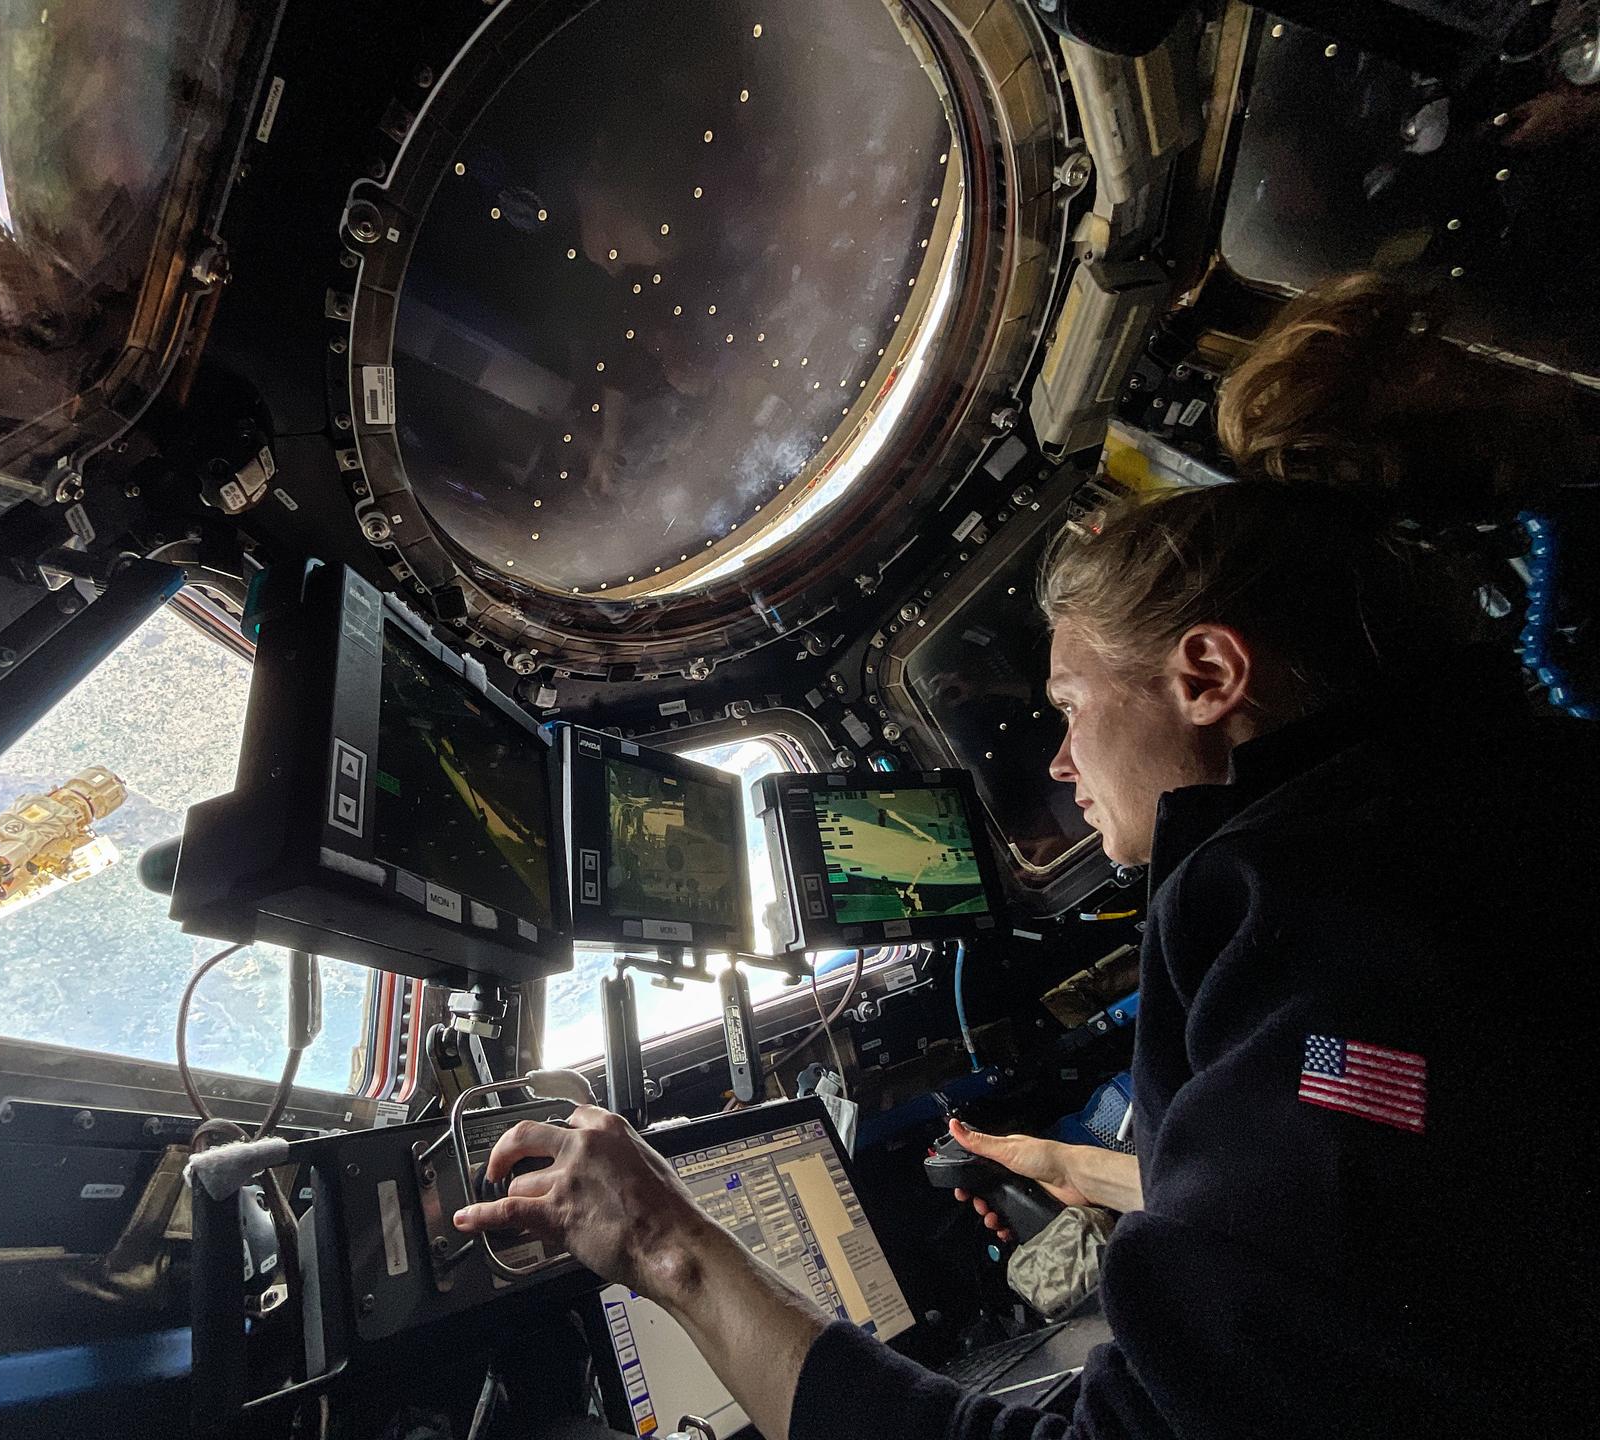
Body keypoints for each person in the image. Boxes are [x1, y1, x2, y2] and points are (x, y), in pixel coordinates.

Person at [454, 282, 1598, 1438]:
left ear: (1206, 678)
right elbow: (1381, 1211)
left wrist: (664, 1242)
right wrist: (1092, 1172)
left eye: (1070, 705)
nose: (1058, 762)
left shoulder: (1318, 910)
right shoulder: (1471, 821)